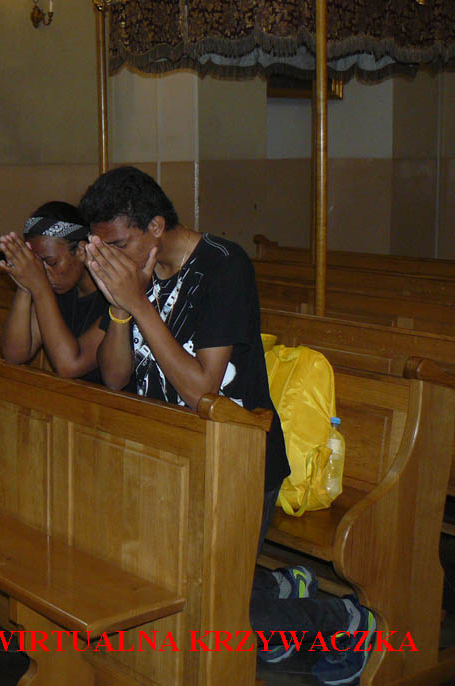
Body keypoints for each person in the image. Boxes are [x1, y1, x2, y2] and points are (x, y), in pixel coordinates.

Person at [79, 166, 374, 686]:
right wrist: (122, 312)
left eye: (118, 244)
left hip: (237, 459)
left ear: (155, 226)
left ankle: (343, 619)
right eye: (102, 249)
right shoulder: (135, 279)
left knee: (208, 606)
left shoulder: (223, 266)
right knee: (165, 585)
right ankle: (278, 588)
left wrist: (138, 303)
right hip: (170, 454)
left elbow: (202, 391)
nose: (112, 260)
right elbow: (115, 375)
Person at [0, 202, 108, 384]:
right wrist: (25, 287)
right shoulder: (55, 290)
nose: (43, 273)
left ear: (81, 251)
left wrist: (39, 287)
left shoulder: (114, 296)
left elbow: (69, 366)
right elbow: (15, 355)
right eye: (37, 264)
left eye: (51, 262)